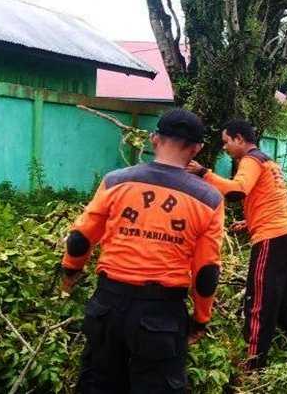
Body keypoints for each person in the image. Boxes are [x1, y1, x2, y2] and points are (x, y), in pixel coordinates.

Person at [61, 109, 224, 392]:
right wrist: (200, 318)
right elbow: (206, 271)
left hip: (107, 307)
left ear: (153, 139)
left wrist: (70, 270)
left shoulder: (116, 181)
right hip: (161, 315)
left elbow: (80, 237)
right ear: (197, 148)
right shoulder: (208, 198)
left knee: (98, 385)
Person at [187, 119, 287, 370]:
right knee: (284, 297)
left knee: (260, 299)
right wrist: (248, 222)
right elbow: (269, 198)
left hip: (272, 237)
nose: (225, 148)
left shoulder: (250, 160)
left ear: (239, 139)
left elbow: (237, 192)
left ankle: (253, 362)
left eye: (227, 142)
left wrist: (203, 173)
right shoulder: (266, 161)